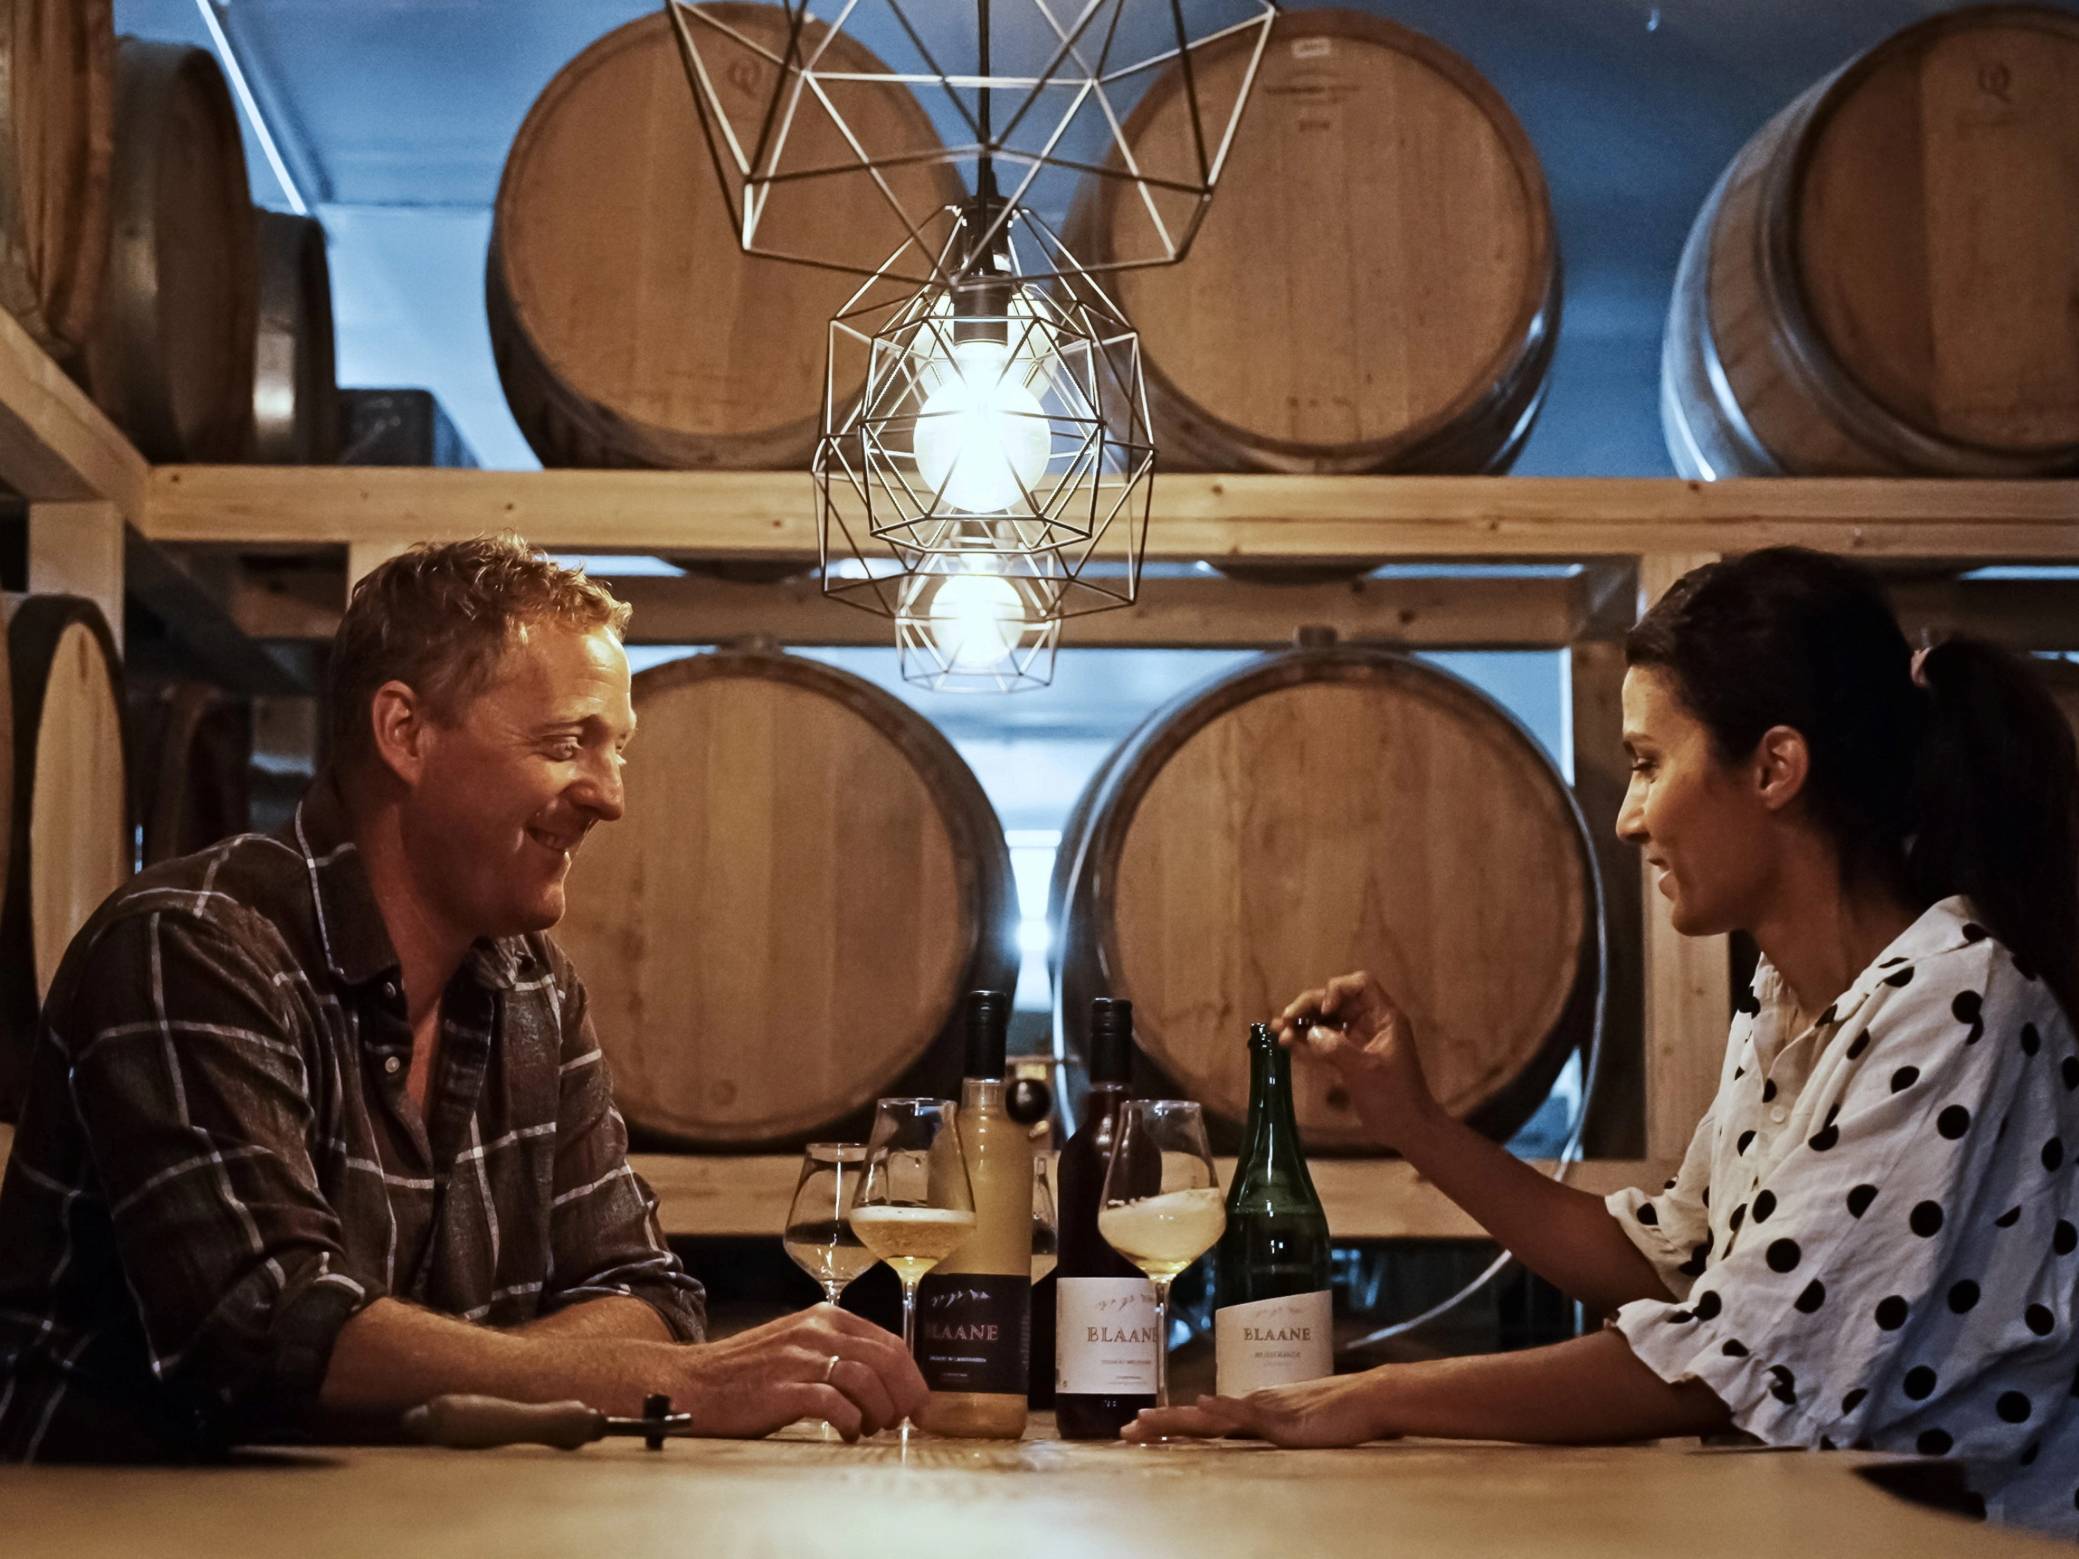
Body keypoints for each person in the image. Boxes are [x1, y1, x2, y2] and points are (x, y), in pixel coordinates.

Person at [1125, 547, 2079, 1537]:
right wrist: (1408, 1117)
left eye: (1649, 760)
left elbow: (1724, 1363)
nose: (1628, 816)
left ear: (1773, 767)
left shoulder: (1955, 993)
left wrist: (1376, 1393)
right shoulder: (1786, 1002)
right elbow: (1673, 1263)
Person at [0, 535, 926, 1460]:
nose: (609, 797)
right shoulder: (192, 945)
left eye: (619, 751)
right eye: (568, 742)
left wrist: (457, 1368)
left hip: (385, 1525)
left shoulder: (532, 986)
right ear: (404, 732)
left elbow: (649, 1292)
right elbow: (268, 1324)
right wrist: (670, 1383)